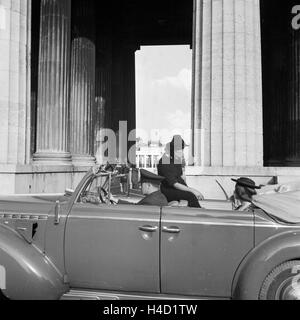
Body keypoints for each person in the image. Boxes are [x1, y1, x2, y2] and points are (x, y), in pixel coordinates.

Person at [157, 135, 204, 208]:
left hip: (175, 188)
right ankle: (198, 215)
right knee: (190, 196)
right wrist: (192, 191)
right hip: (167, 190)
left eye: (182, 149)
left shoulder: (177, 160)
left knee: (191, 195)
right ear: (172, 149)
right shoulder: (164, 161)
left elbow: (181, 178)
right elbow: (174, 183)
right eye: (178, 149)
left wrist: (188, 188)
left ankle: (197, 211)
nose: (181, 152)